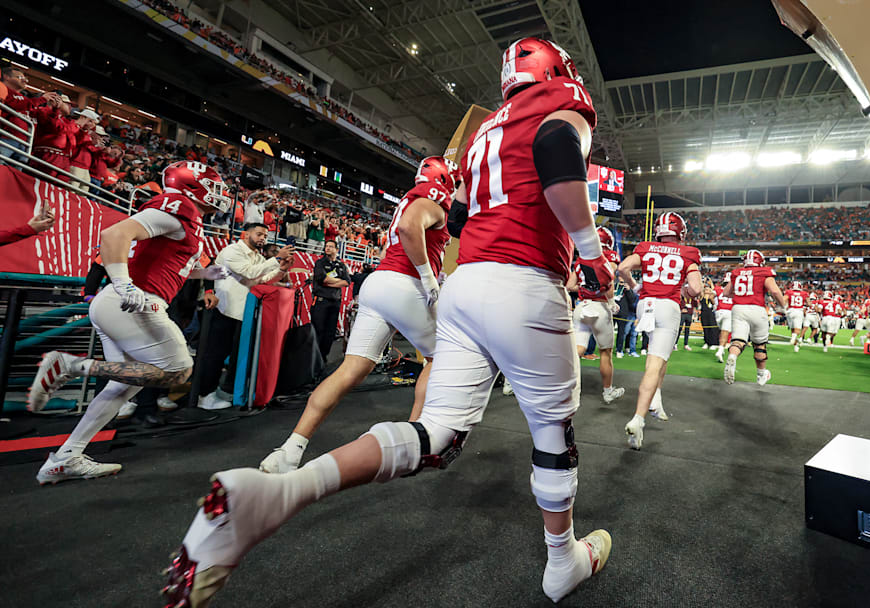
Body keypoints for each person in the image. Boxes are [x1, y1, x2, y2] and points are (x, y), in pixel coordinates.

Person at [162, 37, 611, 607]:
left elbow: (461, 212)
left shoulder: (483, 135)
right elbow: (555, 150)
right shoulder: (562, 101)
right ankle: (561, 560)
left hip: (466, 286)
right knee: (552, 433)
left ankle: (282, 493)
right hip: (524, 280)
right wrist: (590, 252)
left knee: (438, 436)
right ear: (557, 70)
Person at [27, 161, 231, 483]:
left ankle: (67, 456)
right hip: (130, 302)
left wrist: (206, 273)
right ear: (191, 185)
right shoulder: (179, 206)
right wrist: (124, 284)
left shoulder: (188, 220)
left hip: (123, 303)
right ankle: (70, 366)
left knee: (125, 383)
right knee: (178, 369)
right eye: (214, 186)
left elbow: (170, 264)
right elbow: (114, 234)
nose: (221, 195)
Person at [259, 156, 456, 474]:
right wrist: (428, 276)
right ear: (446, 180)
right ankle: (415, 441)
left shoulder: (411, 196)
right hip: (404, 283)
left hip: (380, 283)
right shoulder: (434, 195)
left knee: (351, 369)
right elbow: (409, 227)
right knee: (440, 358)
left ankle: (290, 449)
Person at [616, 211, 702, 449]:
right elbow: (696, 288)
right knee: (654, 363)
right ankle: (638, 418)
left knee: (659, 355)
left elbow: (622, 268)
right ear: (681, 232)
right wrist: (685, 290)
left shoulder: (645, 247)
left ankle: (657, 399)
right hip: (668, 306)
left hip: (646, 305)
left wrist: (635, 286)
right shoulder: (689, 253)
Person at [192, 223, 294, 410]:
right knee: (215, 355)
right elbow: (249, 272)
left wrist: (282, 269)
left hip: (242, 312)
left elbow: (261, 280)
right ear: (245, 234)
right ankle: (204, 396)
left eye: (265, 235)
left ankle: (222, 391)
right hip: (224, 309)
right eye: (259, 234)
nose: (263, 238)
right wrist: (277, 258)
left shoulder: (257, 256)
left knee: (235, 355)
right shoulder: (232, 251)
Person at [565, 226, 625, 404]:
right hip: (600, 307)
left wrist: (585, 288)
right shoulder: (610, 256)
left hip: (582, 307)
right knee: (605, 352)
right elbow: (609, 280)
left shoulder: (581, 259)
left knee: (578, 350)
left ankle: (565, 387)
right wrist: (612, 301)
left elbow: (569, 286)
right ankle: (607, 392)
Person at [722, 249, 787, 386]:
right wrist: (783, 306)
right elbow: (774, 290)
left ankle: (732, 356)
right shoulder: (764, 272)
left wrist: (742, 296)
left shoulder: (736, 272)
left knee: (738, 340)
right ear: (761, 261)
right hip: (757, 308)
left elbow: (726, 293)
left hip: (738, 308)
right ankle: (761, 374)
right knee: (759, 345)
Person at [310, 240, 351, 360]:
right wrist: (338, 282)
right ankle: (314, 359)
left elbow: (347, 282)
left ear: (337, 250)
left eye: (331, 247)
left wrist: (331, 282)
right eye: (326, 246)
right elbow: (323, 279)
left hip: (335, 302)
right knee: (318, 330)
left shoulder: (341, 265)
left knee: (330, 332)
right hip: (321, 301)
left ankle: (323, 357)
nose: (327, 248)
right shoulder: (320, 263)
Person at [714, 272, 734, 357]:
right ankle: (721, 349)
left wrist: (715, 305)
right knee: (725, 331)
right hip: (729, 311)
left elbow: (711, 296)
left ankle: (721, 349)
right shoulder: (735, 290)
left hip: (719, 312)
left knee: (721, 331)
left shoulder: (717, 289)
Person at [785, 280, 808, 352]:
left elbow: (783, 300)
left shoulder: (789, 292)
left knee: (792, 330)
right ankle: (794, 338)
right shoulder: (804, 293)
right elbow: (809, 303)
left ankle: (795, 346)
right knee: (797, 330)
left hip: (790, 311)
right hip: (799, 311)